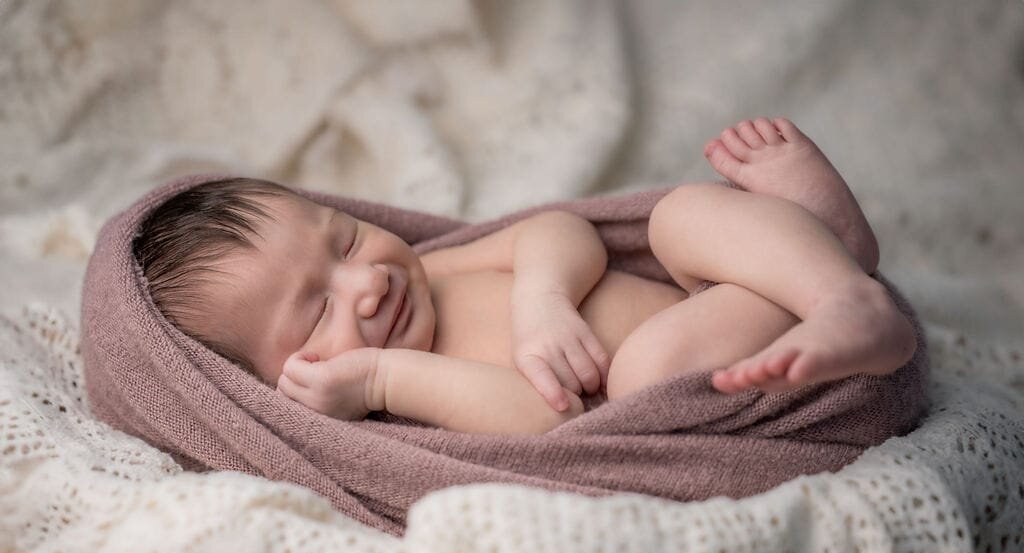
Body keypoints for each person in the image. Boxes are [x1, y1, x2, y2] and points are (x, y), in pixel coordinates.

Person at [132, 117, 917, 434]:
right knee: (641, 372)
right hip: (726, 367)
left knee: (678, 216)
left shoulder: (430, 269)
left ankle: (839, 279)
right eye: (315, 313)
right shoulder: (401, 409)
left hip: (716, 300)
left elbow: (559, 230)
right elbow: (547, 422)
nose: (364, 284)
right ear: (278, 385)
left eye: (345, 240)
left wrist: (544, 297)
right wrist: (379, 378)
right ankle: (830, 270)